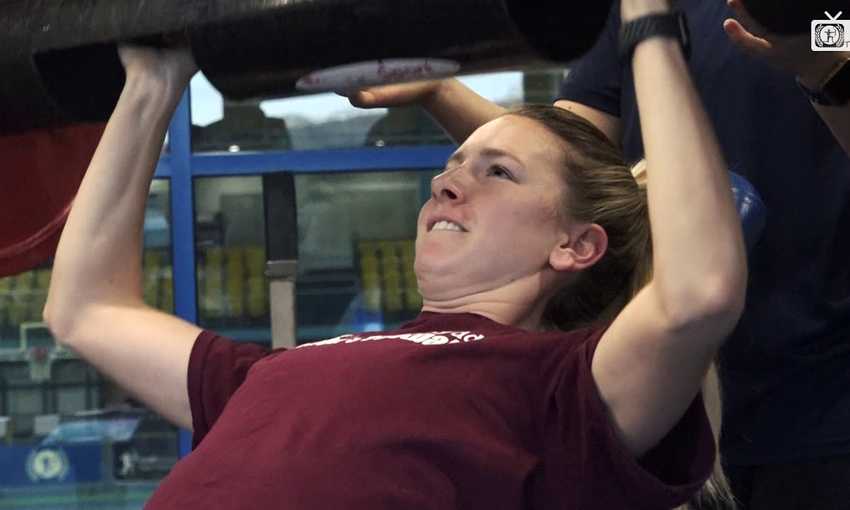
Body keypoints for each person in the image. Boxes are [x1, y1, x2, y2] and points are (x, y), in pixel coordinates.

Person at [43, 0, 748, 507]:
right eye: (455, 164)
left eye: (496, 171)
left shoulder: (560, 391)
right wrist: (153, 85)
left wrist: (647, 28)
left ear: (576, 245)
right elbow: (85, 308)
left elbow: (698, 294)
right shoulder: (275, 374)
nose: (448, 180)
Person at [347, 0, 850, 508]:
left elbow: (831, 43)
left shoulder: (827, 19)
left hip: (825, 396)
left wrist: (826, 65)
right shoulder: (643, 6)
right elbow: (564, 166)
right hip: (663, 388)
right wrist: (438, 90)